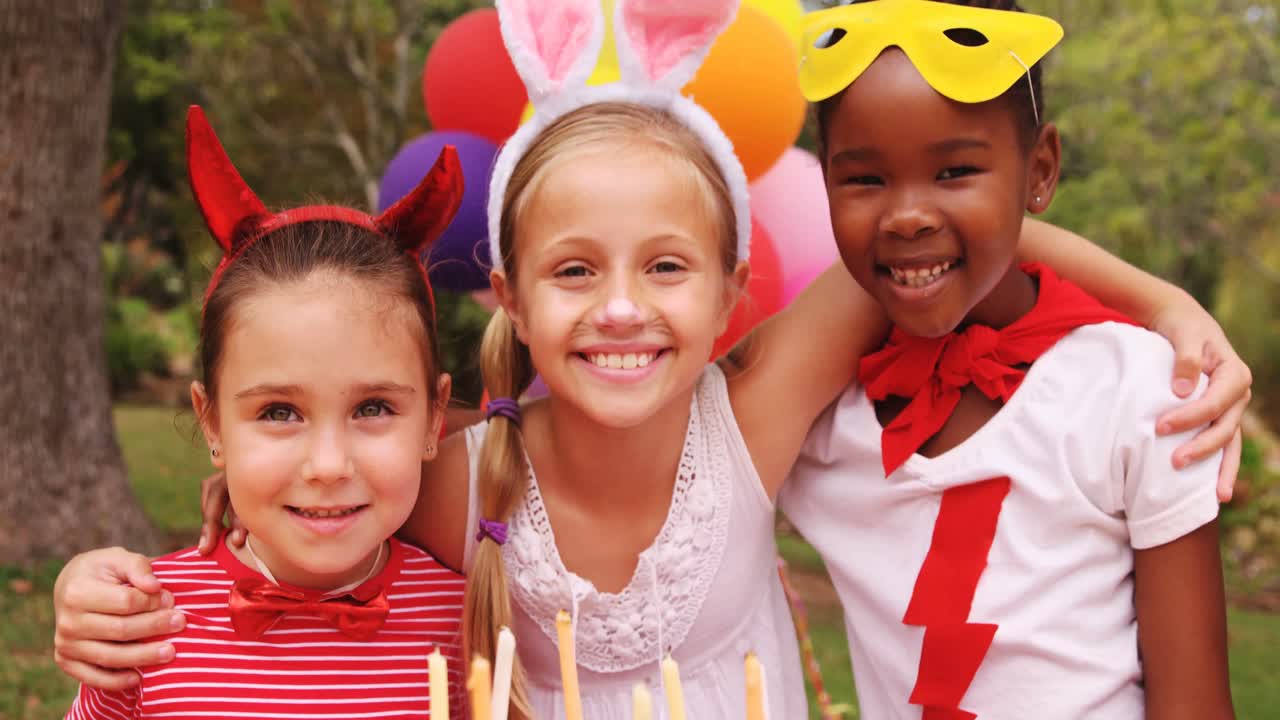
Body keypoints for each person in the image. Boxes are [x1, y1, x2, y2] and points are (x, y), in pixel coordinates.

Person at [53, 1, 1251, 718]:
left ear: (733, 293)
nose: (619, 311)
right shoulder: (445, 475)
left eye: (666, 269)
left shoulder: (753, 416)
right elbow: (288, 526)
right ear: (511, 294)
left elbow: (928, 228)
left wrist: (1160, 299)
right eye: (573, 272)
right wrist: (96, 598)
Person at [780, 1, 1234, 717]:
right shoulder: (812, 426)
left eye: (955, 170)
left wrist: (1166, 306)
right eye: (864, 179)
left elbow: (1195, 701)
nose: (907, 215)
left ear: (1041, 170)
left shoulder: (1141, 391)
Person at [64, 106, 469, 719]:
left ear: (435, 418)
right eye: (280, 412)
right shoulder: (143, 624)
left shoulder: (470, 620)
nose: (329, 465)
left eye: (373, 407)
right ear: (212, 423)